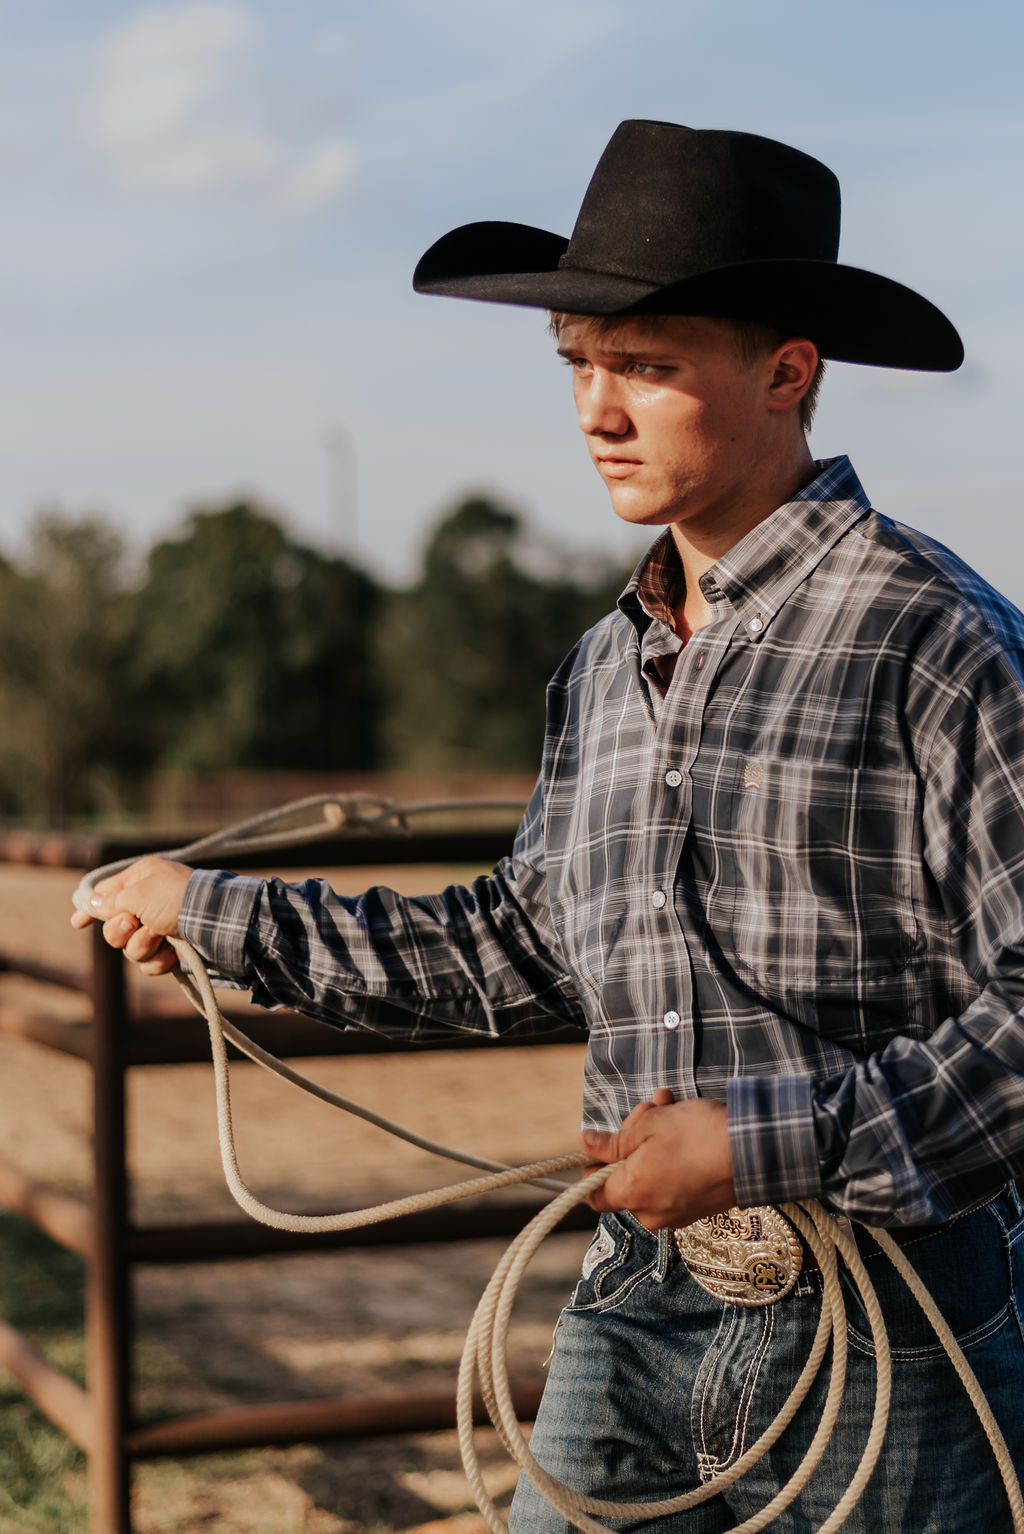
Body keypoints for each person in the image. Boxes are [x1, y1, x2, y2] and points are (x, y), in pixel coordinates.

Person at [74, 121, 1024, 1530]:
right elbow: (523, 945)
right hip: (639, 1296)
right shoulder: (604, 662)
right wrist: (223, 915)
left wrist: (768, 1142)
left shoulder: (941, 643)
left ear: (786, 371)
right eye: (578, 362)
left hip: (903, 1319)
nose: (595, 407)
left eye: (644, 364)